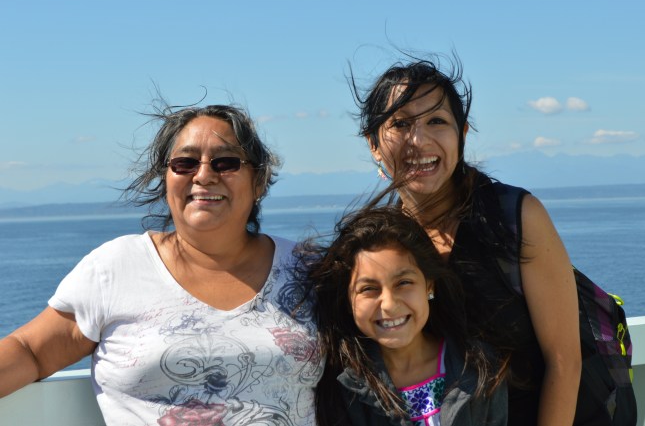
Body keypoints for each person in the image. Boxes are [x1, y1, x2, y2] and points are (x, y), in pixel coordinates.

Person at [0, 103, 323, 426]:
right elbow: (31, 350)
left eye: (226, 162)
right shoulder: (115, 269)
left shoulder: (310, 270)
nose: (204, 175)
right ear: (165, 179)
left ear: (259, 181)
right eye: (185, 163)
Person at [351, 56, 582, 426]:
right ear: (374, 144)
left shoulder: (515, 216)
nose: (419, 140)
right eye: (401, 124)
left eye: (437, 122)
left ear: (463, 134)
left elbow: (565, 361)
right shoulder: (386, 241)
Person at [309, 206, 508, 426]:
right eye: (368, 289)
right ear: (348, 301)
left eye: (404, 283)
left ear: (428, 286)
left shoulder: (479, 367)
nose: (390, 304)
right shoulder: (347, 388)